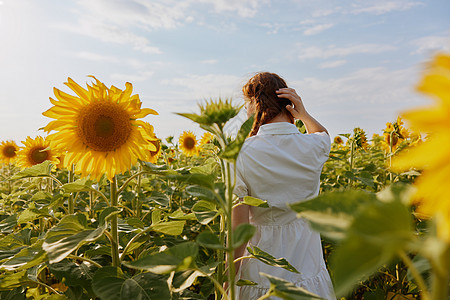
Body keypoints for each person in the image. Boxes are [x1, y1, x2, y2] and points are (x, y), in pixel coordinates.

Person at [232, 72, 335, 299]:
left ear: (254, 104)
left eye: (246, 104)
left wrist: (229, 278)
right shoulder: (314, 145)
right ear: (288, 105)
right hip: (308, 265)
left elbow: (239, 229)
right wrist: (303, 114)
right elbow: (322, 134)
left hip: (261, 268)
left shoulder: (240, 153)